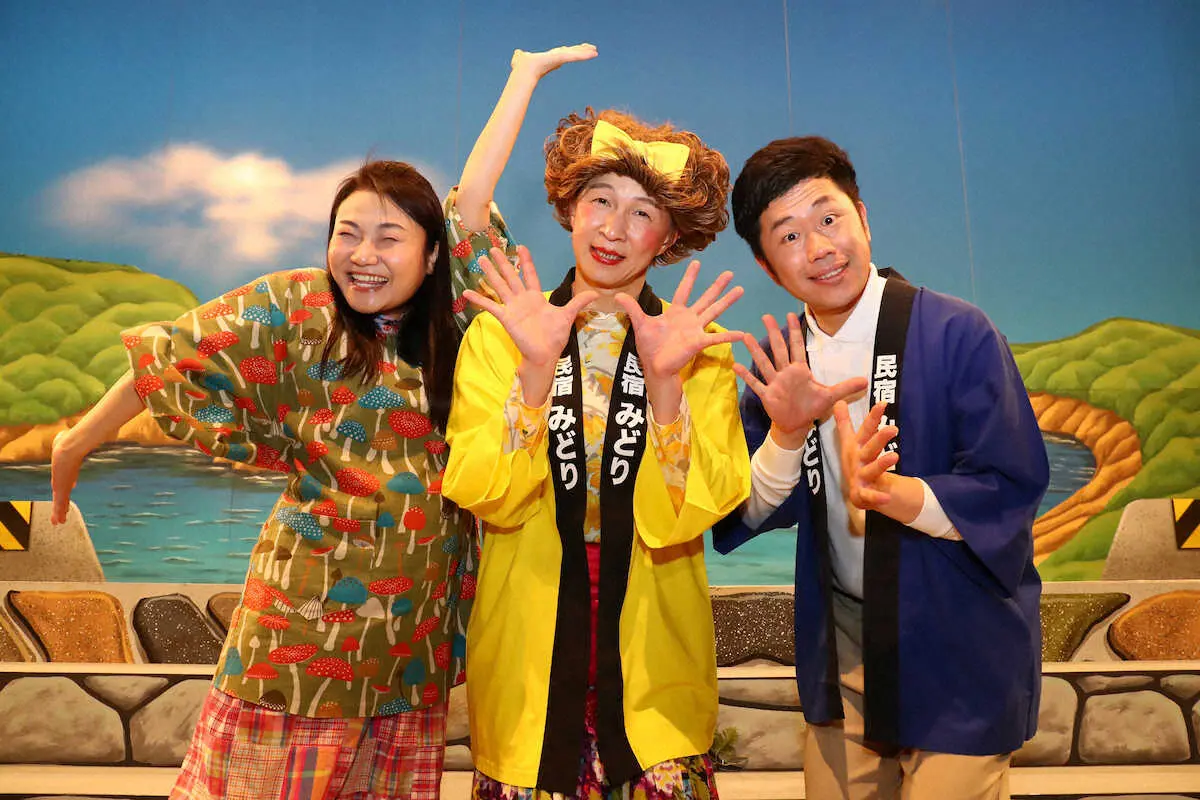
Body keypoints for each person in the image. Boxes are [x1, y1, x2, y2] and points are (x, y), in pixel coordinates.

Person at [50, 158, 500, 799]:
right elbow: (172, 357)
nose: (363, 255)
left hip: (411, 637)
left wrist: (518, 92)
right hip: (302, 623)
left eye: (389, 237)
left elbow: (475, 200)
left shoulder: (458, 329)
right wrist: (77, 440)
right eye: (347, 233)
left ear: (432, 256)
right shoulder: (299, 303)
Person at [441, 45, 750, 799]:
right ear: (570, 210)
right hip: (530, 628)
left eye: (642, 212)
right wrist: (535, 373)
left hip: (651, 633)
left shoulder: (698, 348)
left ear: (668, 238)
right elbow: (483, 491)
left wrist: (668, 386)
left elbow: (696, 512)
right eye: (600, 201)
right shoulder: (502, 334)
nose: (614, 227)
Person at [712, 136, 1049, 800]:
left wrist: (898, 495)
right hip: (842, 644)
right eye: (789, 236)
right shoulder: (785, 366)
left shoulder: (958, 331)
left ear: (863, 218)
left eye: (829, 218)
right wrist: (785, 434)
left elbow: (1009, 486)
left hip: (957, 638)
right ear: (766, 264)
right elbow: (741, 509)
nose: (819, 247)